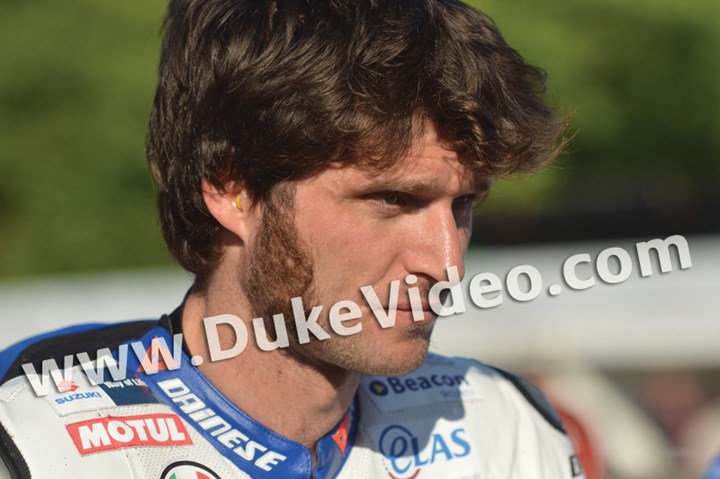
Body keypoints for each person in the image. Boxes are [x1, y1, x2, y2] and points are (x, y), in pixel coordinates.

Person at [0, 0, 582, 477]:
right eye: (392, 200)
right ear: (233, 190)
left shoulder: (502, 429)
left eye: (463, 205)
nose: (448, 264)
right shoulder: (39, 443)